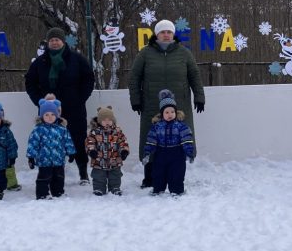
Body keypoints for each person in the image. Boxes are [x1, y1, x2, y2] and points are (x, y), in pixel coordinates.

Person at [128, 19, 205, 187]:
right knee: (151, 138)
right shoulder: (145, 53)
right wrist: (136, 99)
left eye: (169, 32)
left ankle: (175, 177)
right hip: (152, 105)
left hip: (179, 105)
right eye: (162, 32)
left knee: (178, 137)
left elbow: (194, 75)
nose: (166, 35)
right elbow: (134, 77)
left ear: (173, 34)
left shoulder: (184, 53)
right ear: (157, 34)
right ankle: (149, 177)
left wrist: (199, 97)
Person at [25, 27, 96, 186]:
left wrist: (80, 98)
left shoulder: (77, 59)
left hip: (74, 108)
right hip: (49, 111)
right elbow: (30, 83)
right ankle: (51, 174)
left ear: (63, 41)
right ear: (48, 42)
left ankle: (83, 172)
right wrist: (40, 102)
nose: (54, 42)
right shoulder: (40, 62)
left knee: (78, 139)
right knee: (49, 141)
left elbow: (89, 79)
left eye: (57, 39)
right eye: (51, 40)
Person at [143, 89, 196, 196]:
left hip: (177, 154)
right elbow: (151, 141)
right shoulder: (157, 126)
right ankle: (158, 189)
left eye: (172, 112)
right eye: (167, 112)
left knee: (176, 173)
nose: (170, 114)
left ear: (176, 112)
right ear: (162, 114)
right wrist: (147, 153)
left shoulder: (181, 126)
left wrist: (189, 153)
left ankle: (177, 190)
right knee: (158, 173)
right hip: (161, 153)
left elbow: (187, 140)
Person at [26, 94, 77, 200]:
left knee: (59, 178)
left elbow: (68, 141)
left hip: (59, 159)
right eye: (47, 115)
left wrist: (71, 153)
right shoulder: (38, 129)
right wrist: (31, 157)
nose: (50, 117)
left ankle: (58, 192)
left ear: (57, 115)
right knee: (44, 178)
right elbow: (33, 143)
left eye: (53, 114)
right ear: (42, 116)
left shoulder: (62, 129)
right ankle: (42, 194)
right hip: (44, 160)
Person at [85, 106, 130, 196]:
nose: (107, 122)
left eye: (109, 120)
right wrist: (91, 150)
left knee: (115, 175)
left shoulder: (117, 131)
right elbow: (89, 142)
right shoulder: (95, 132)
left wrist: (124, 151)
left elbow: (123, 141)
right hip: (99, 159)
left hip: (115, 159)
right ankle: (99, 188)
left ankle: (115, 188)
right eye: (104, 120)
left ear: (113, 120)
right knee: (98, 175)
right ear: (99, 121)